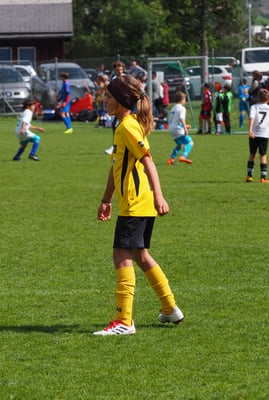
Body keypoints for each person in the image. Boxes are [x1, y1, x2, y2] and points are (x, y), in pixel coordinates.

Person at [94, 74, 184, 336]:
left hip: (136, 202)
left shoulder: (127, 127)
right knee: (141, 255)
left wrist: (159, 196)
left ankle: (124, 320)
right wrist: (106, 199)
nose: (105, 100)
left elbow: (148, 161)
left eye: (109, 96)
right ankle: (170, 308)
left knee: (121, 255)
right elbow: (116, 166)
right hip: (137, 202)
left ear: (121, 100)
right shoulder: (123, 125)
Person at [246, 88, 269, 183]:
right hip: (264, 134)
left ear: (257, 98)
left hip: (254, 134)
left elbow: (251, 118)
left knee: (252, 154)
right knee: (263, 155)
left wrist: (250, 129)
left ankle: (249, 176)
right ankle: (263, 177)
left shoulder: (254, 107)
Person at [167, 91, 193, 165]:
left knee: (180, 145)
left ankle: (171, 159)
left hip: (171, 129)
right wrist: (185, 128)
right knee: (190, 142)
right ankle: (183, 156)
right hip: (177, 129)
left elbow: (174, 120)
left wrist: (185, 126)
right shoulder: (182, 108)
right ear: (182, 99)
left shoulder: (173, 108)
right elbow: (181, 118)